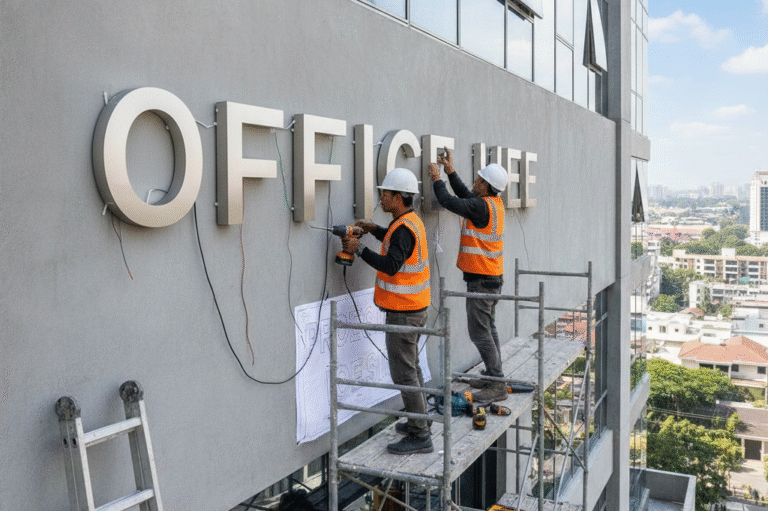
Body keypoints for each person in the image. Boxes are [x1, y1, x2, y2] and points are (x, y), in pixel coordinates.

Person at [341, 168, 433, 455]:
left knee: (404, 373)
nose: (381, 198)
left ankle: (420, 435)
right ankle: (420, 421)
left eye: (385, 194)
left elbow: (392, 264)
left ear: (399, 197)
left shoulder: (404, 227)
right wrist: (373, 229)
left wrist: (359, 250)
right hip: (413, 309)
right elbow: (396, 244)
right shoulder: (406, 221)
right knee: (412, 368)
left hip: (404, 313)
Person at [429, 148, 509, 405]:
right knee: (489, 328)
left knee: (479, 332)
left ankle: (496, 383)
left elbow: (450, 202)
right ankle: (494, 377)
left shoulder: (480, 206)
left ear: (486, 185)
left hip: (482, 282)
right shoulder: (492, 204)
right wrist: (450, 171)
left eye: (479, 179)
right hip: (491, 279)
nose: (475, 182)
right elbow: (464, 195)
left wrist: (437, 179)